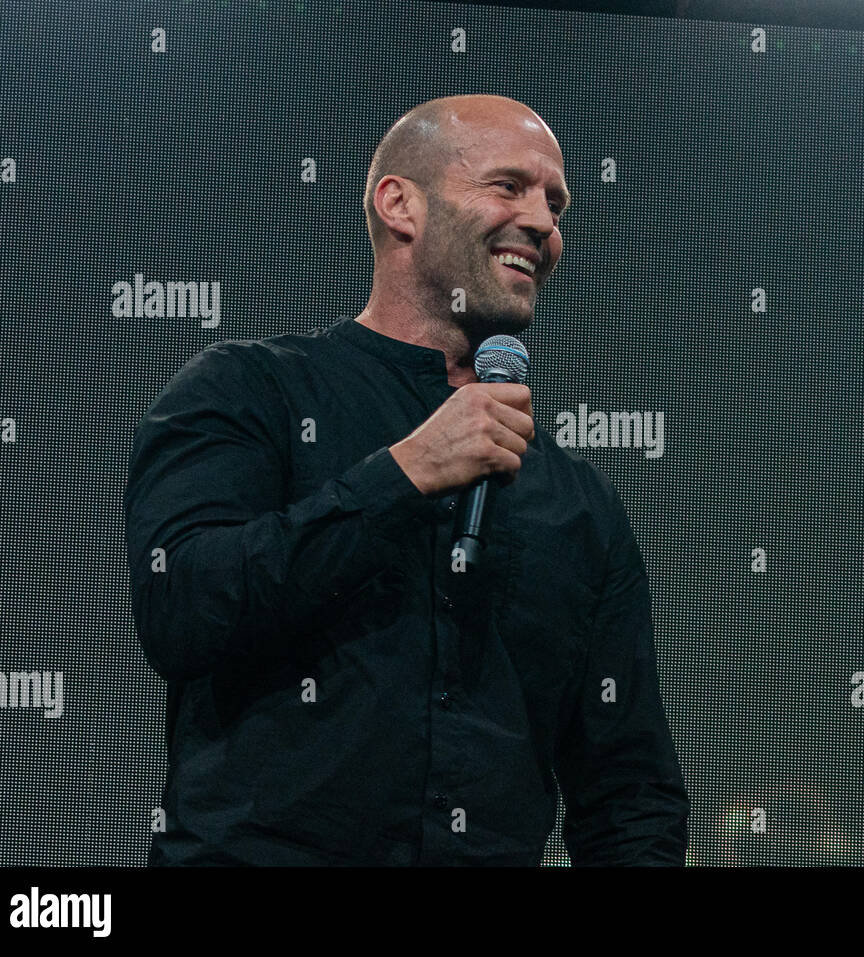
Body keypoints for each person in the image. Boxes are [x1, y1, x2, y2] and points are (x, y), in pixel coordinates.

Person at [124, 94, 690, 865]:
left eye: (557, 205)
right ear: (400, 204)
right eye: (509, 186)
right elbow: (182, 605)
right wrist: (403, 474)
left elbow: (629, 791)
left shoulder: (579, 505)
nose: (544, 224)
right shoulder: (250, 391)